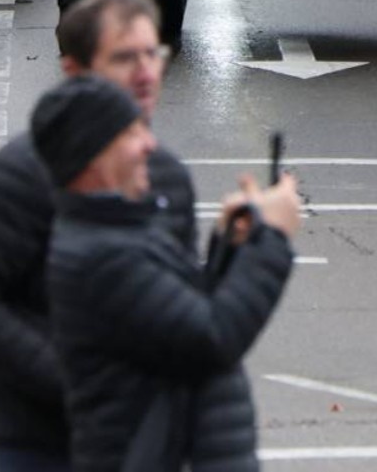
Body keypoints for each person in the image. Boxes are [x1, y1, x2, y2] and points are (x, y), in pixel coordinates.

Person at [0, 0, 196, 472]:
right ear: (74, 70)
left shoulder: (169, 179)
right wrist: (74, 379)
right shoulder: (21, 174)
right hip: (37, 444)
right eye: (123, 58)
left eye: (151, 54)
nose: (144, 74)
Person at [39, 77, 298, 472]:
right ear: (91, 154)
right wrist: (274, 240)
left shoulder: (118, 230)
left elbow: (182, 318)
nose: (149, 144)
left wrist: (232, 246)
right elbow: (212, 338)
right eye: (129, 133)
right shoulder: (104, 253)